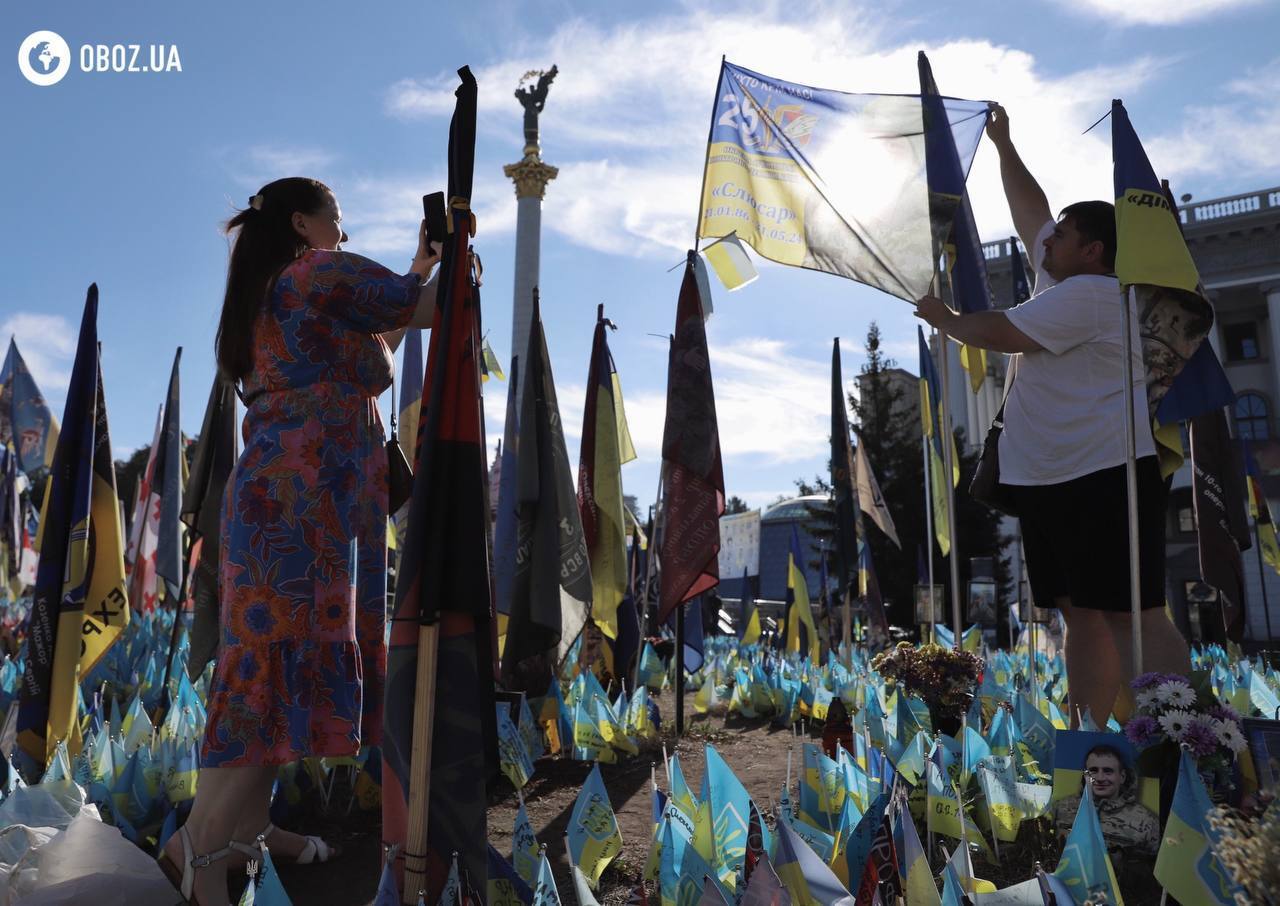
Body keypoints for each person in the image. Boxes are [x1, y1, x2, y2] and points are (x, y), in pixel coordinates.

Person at [159, 177, 442, 906]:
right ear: (302, 223)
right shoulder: (317, 272)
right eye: (335, 221)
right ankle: (202, 853)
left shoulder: (270, 295)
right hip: (304, 509)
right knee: (274, 683)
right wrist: (455, 268)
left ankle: (229, 837)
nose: (343, 236)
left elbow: (377, 337)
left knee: (260, 679)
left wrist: (419, 266)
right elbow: (436, 314)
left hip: (276, 504)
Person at [914, 105, 1191, 727]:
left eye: (1061, 238)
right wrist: (1006, 147)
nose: (1045, 242)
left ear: (1093, 251)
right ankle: (1091, 746)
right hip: (1054, 480)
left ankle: (1187, 739)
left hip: (1103, 475)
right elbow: (1031, 213)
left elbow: (1001, 332)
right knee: (1081, 614)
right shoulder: (1065, 284)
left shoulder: (1094, 295)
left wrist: (948, 321)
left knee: (1132, 612)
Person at [1053, 745, 1159, 872]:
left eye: (1108, 771)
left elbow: (1154, 871)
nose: (1100, 778)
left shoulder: (1147, 821)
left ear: (1122, 776)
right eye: (1093, 771)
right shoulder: (1061, 808)